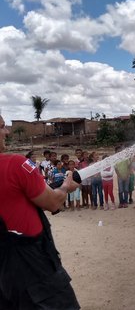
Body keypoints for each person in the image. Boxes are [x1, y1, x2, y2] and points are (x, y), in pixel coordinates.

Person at [0, 115, 80, 309]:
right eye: (2, 127)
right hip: (31, 266)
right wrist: (64, 188)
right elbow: (52, 203)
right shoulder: (16, 164)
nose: (7, 131)